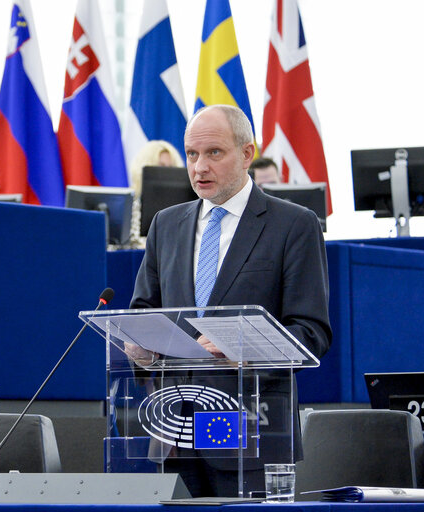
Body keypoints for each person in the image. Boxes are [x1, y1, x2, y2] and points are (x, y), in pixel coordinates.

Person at [129, 104, 331, 496]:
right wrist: (138, 344)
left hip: (250, 430)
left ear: (246, 154)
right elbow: (143, 310)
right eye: (192, 154)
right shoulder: (166, 224)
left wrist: (241, 346)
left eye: (213, 153)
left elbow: (311, 331)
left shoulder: (293, 225)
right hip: (174, 432)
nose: (199, 167)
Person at [127, 140, 182, 246]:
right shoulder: (129, 204)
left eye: (170, 168)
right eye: (161, 167)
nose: (167, 173)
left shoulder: (181, 207)